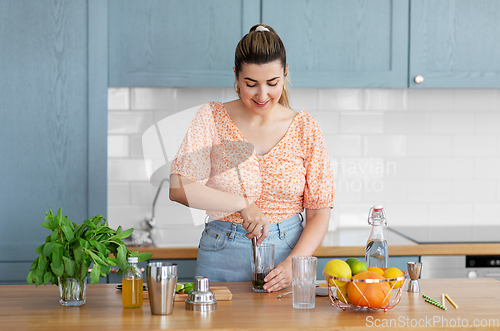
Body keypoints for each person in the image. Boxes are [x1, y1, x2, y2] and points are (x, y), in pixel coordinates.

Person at [169, 24, 334, 292]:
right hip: (221, 253)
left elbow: (319, 213)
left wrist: (293, 264)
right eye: (250, 84)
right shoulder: (211, 117)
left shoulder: (306, 127)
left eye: (272, 83)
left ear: (285, 74)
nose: (262, 95)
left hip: (288, 254)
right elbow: (177, 187)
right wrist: (241, 203)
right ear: (236, 76)